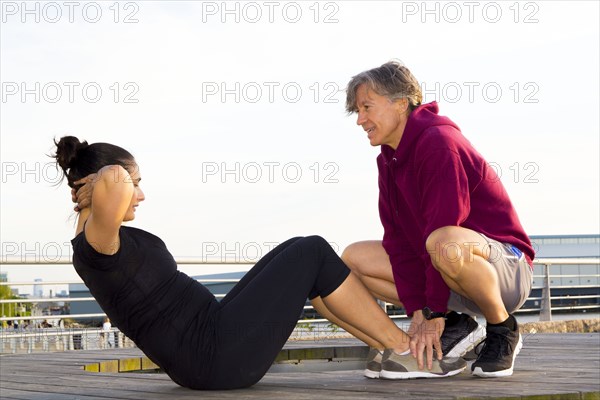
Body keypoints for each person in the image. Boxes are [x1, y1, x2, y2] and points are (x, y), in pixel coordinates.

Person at [53, 136, 466, 389]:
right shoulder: (97, 244)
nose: (139, 195)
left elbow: (114, 183)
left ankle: (389, 349)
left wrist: (100, 179)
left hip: (211, 344)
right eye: (136, 183)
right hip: (215, 355)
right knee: (312, 252)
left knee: (302, 250)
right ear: (93, 187)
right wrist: (99, 179)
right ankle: (403, 349)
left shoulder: (105, 242)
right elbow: (114, 181)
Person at [315, 61, 535, 379]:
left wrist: (433, 309)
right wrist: (419, 309)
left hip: (507, 269)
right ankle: (458, 325)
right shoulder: (388, 161)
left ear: (401, 102)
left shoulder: (439, 143)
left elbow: (445, 228)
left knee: (444, 242)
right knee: (354, 258)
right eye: (357, 111)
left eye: (366, 107)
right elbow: (399, 244)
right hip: (449, 268)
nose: (360, 120)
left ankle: (503, 328)